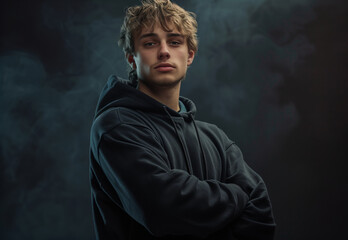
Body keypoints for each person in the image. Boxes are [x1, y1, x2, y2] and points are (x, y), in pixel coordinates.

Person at [89, 0, 276, 239]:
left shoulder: (216, 139)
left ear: (190, 55)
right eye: (149, 43)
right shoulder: (116, 126)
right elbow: (167, 212)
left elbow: (261, 217)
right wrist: (238, 196)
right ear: (131, 59)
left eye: (175, 42)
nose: (164, 51)